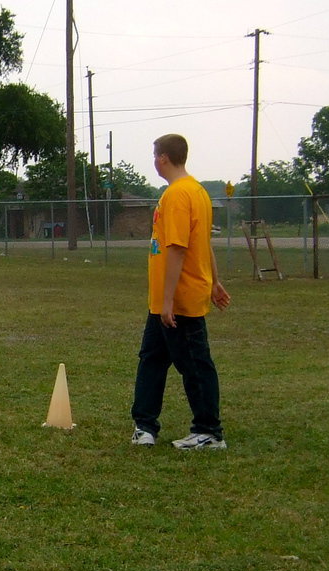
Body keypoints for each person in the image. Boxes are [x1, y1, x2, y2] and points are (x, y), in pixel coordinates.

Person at [131, 134, 231, 449]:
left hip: (178, 300)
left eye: (154, 155)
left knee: (195, 364)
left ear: (162, 158)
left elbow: (177, 248)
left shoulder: (179, 194)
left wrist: (169, 300)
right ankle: (145, 427)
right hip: (165, 300)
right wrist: (215, 281)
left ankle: (209, 432)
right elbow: (204, 243)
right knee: (152, 360)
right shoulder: (198, 191)